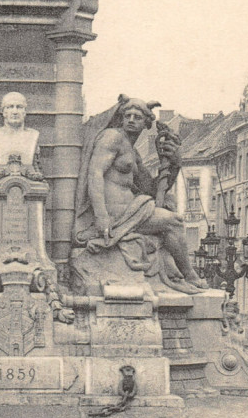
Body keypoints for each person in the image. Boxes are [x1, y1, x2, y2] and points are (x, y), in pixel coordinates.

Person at [73, 95, 205, 290]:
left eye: (137, 117)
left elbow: (150, 189)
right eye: (128, 115)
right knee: (173, 222)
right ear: (122, 117)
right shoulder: (112, 137)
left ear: (146, 123)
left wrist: (174, 163)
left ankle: (182, 275)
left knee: (169, 208)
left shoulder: (133, 153)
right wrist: (101, 216)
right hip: (116, 215)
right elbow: (95, 174)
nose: (132, 120)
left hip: (131, 210)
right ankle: (189, 275)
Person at [0, 91, 41, 173]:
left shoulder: (33, 135)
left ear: (24, 112)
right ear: (4, 112)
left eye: (19, 107)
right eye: (10, 107)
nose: (15, 112)